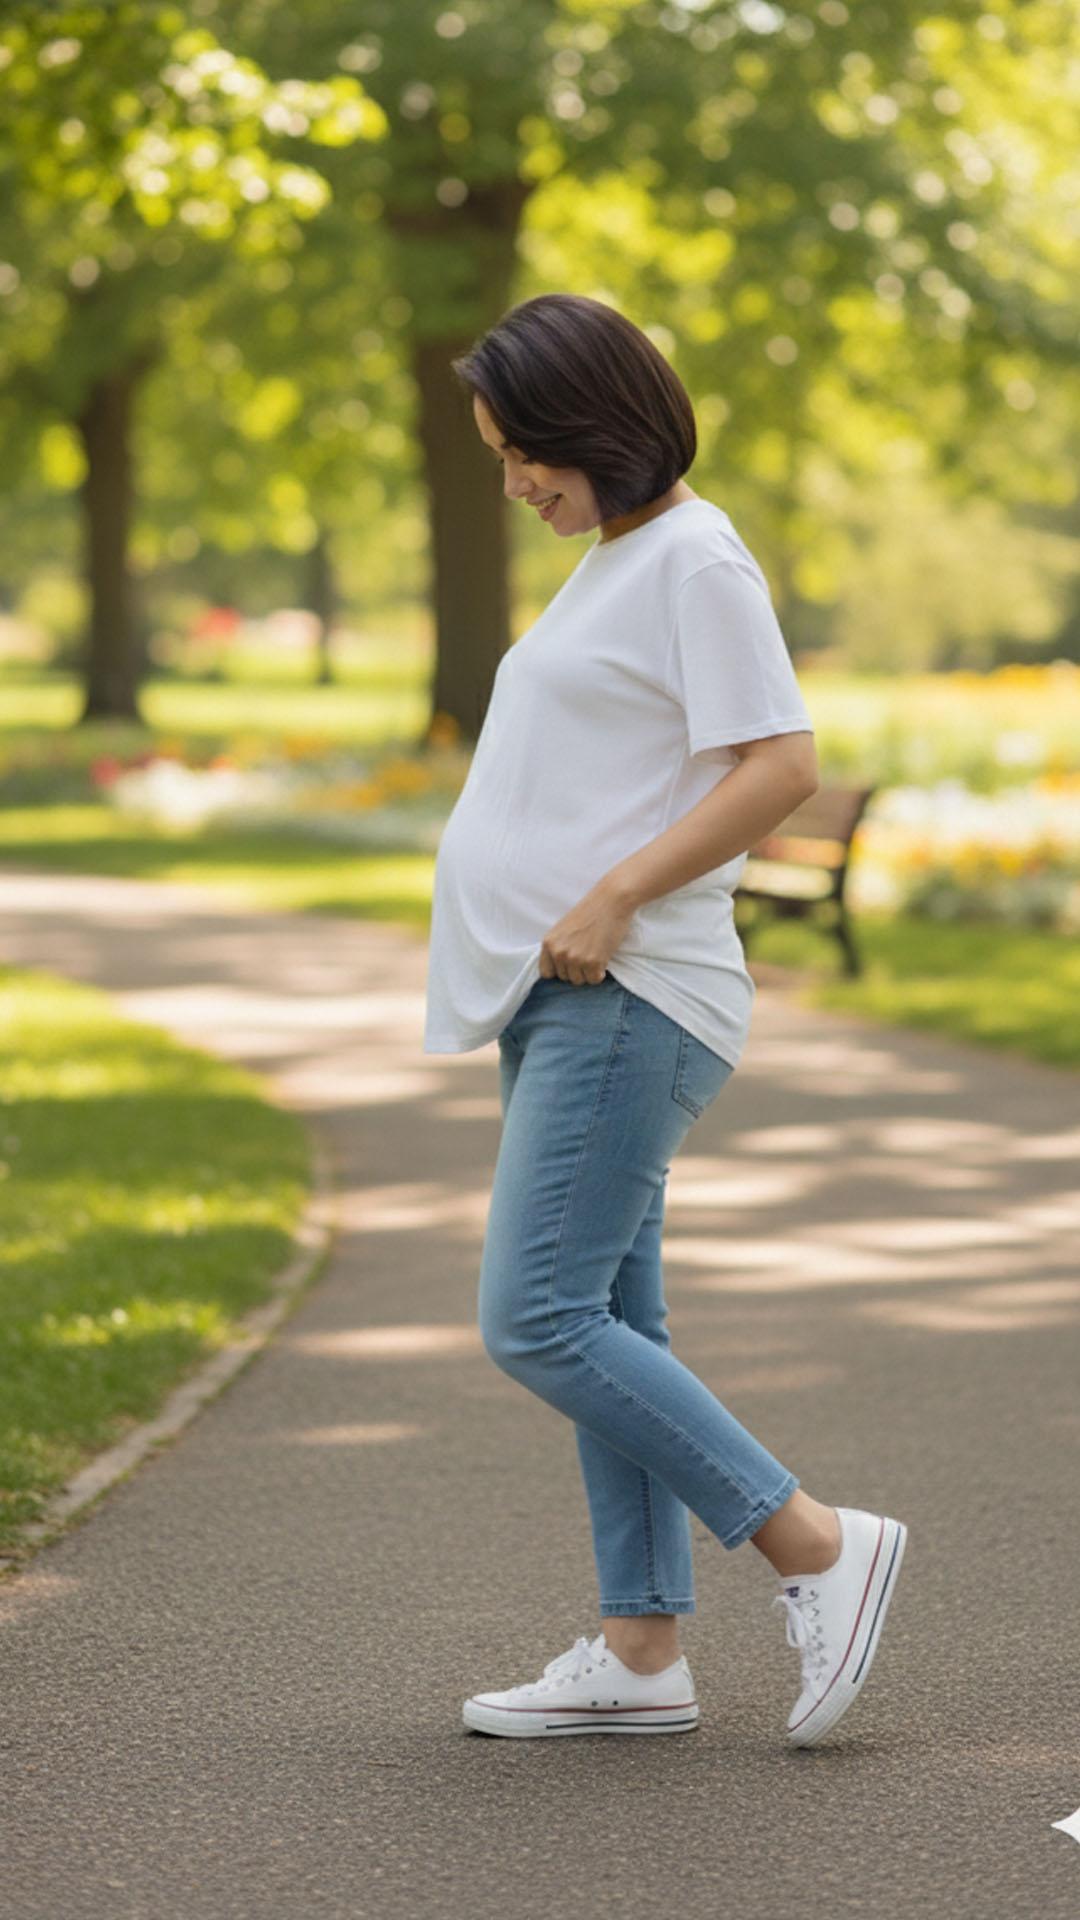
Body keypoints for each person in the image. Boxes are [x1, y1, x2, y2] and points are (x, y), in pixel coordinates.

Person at [423, 293, 906, 1747]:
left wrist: (616, 895)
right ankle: (642, 1653)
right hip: (565, 992)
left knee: (539, 1316)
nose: (514, 482)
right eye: (504, 456)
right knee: (611, 1318)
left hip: (629, 994)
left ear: (597, 426)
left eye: (526, 453)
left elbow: (778, 765)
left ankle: (816, 1542)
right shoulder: (621, 561)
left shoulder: (696, 557)